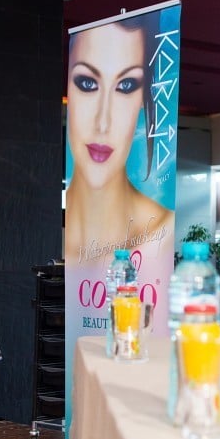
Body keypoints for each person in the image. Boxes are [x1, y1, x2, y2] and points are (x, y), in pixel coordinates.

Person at [64, 14, 174, 269]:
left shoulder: (162, 233)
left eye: (126, 86)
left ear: (143, 98)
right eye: (87, 83)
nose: (103, 123)